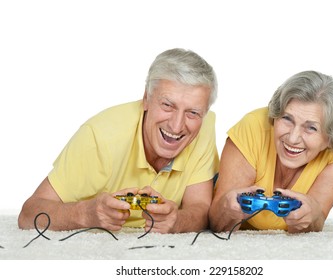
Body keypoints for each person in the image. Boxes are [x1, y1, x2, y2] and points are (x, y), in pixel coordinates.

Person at [18, 48, 219, 234]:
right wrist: (87, 214)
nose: (176, 126)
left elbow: (200, 208)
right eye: (167, 105)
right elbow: (29, 214)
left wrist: (177, 221)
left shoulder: (204, 126)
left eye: (192, 113)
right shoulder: (100, 136)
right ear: (146, 99)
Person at [209, 70, 333, 234]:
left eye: (311, 128)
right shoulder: (252, 127)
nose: (293, 138)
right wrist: (228, 211)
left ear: (331, 138)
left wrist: (311, 216)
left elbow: (316, 221)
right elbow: (217, 222)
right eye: (287, 119)